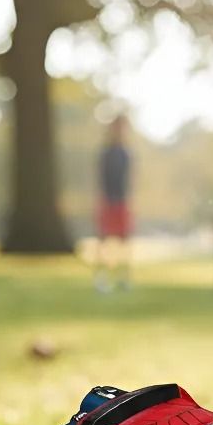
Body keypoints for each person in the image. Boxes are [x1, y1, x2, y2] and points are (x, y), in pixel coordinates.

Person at [94, 115, 133, 292]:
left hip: (122, 201)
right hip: (107, 201)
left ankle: (123, 277)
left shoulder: (126, 153)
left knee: (124, 241)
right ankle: (101, 277)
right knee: (103, 239)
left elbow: (129, 181)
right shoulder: (105, 153)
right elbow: (100, 180)